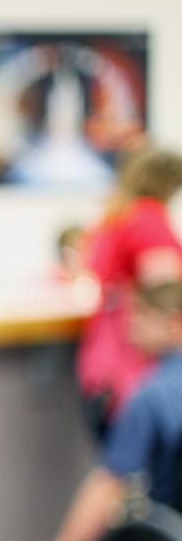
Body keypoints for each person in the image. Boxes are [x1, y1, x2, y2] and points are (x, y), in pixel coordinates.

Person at [37, 281, 182, 541]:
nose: (131, 331)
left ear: (175, 324)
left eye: (142, 320)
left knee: (114, 501)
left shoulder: (151, 396)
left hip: (170, 524)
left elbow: (108, 482)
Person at [76, 147, 182, 443]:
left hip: (103, 369)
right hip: (133, 375)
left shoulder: (118, 218)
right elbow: (165, 298)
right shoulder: (150, 223)